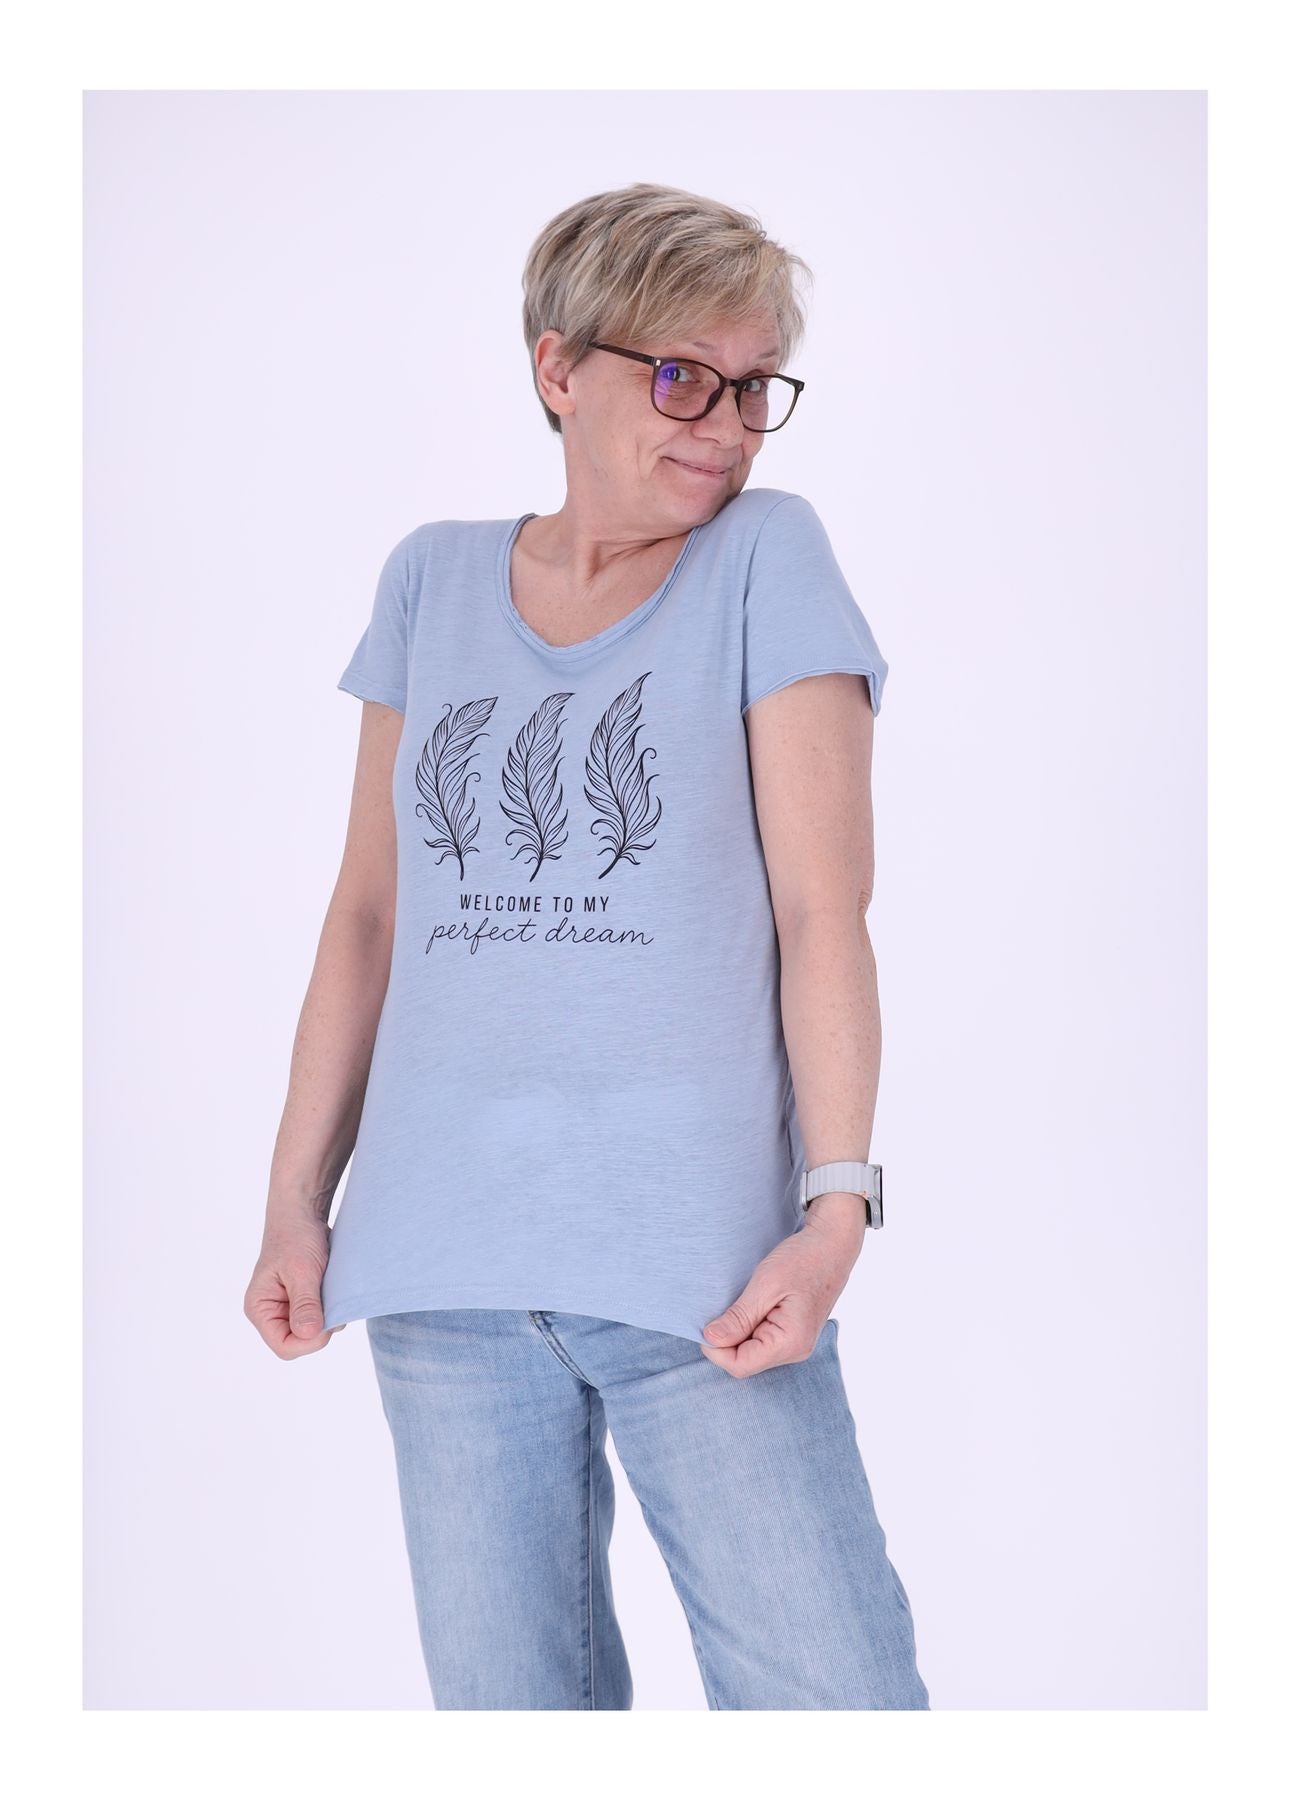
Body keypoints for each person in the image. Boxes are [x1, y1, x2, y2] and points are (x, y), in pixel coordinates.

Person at [244, 180, 931, 1711]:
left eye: (753, 387)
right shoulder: (429, 579)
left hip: (705, 1277)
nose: (726, 426)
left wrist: (834, 1212)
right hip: (439, 1270)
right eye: (682, 376)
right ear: (558, 367)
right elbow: (368, 917)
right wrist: (295, 1205)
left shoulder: (765, 559)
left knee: (835, 1710)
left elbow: (823, 912)